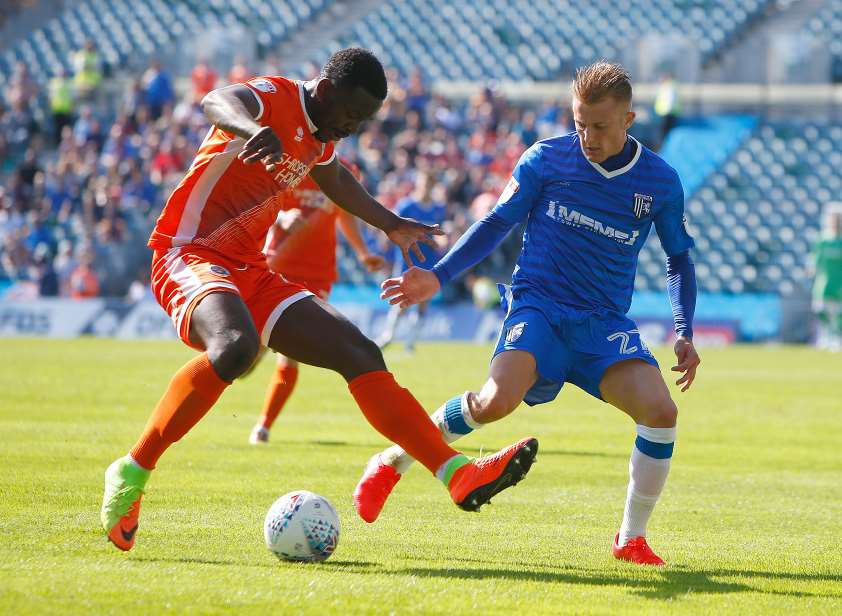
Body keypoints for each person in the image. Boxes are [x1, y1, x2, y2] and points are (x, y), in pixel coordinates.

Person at [100, 48, 538, 552]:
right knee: (236, 348)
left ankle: (457, 473)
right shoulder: (273, 98)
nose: (351, 126)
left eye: (363, 120)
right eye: (350, 114)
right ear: (324, 89)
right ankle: (132, 470)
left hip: (251, 270)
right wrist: (249, 128)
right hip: (188, 252)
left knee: (360, 352)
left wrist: (389, 224)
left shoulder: (319, 138)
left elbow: (335, 179)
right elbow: (217, 100)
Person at [357, 62, 701, 566]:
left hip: (603, 322)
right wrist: (440, 275)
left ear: (629, 119)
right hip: (538, 304)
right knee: (496, 401)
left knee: (661, 412)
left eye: (600, 126)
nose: (587, 136)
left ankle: (631, 538)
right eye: (579, 123)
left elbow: (678, 259)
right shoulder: (546, 159)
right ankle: (392, 462)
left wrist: (684, 329)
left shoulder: (660, 181)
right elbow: (497, 223)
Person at [249, 160, 387, 444]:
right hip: (277, 264)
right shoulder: (288, 163)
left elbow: (344, 214)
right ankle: (251, 353)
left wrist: (362, 252)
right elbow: (257, 204)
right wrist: (280, 218)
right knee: (250, 348)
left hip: (317, 273)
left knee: (290, 353)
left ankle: (263, 426)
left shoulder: (346, 169)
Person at [376, 170, 447, 352]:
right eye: (424, 184)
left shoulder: (439, 209)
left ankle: (411, 342)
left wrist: (444, 239)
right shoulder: (406, 206)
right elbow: (392, 228)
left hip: (429, 261)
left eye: (429, 185)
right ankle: (388, 336)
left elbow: (444, 232)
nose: (426, 188)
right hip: (407, 261)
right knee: (402, 300)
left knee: (423, 301)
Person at [812, 202, 842, 351]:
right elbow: (815, 260)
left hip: (840, 282)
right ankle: (825, 337)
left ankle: (837, 337)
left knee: (838, 313)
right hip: (824, 282)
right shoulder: (823, 240)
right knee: (821, 310)